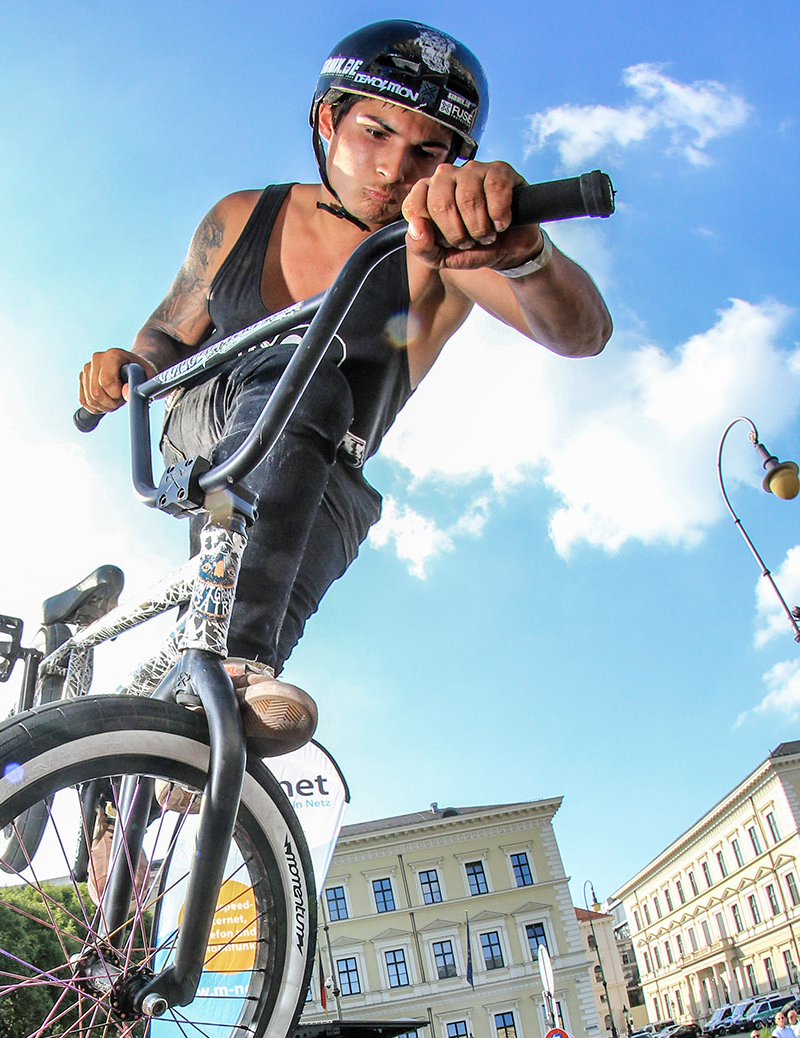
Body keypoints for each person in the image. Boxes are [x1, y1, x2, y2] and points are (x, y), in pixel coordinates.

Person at [78, 21, 611, 751]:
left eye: (427, 152)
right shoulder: (242, 216)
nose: (394, 170)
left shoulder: (439, 246)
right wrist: (128, 369)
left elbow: (581, 335)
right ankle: (236, 661)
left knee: (215, 729)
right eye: (374, 133)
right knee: (300, 367)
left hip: (325, 483)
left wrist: (523, 254)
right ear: (329, 120)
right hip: (212, 431)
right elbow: (168, 335)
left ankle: (127, 804)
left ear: (455, 160)